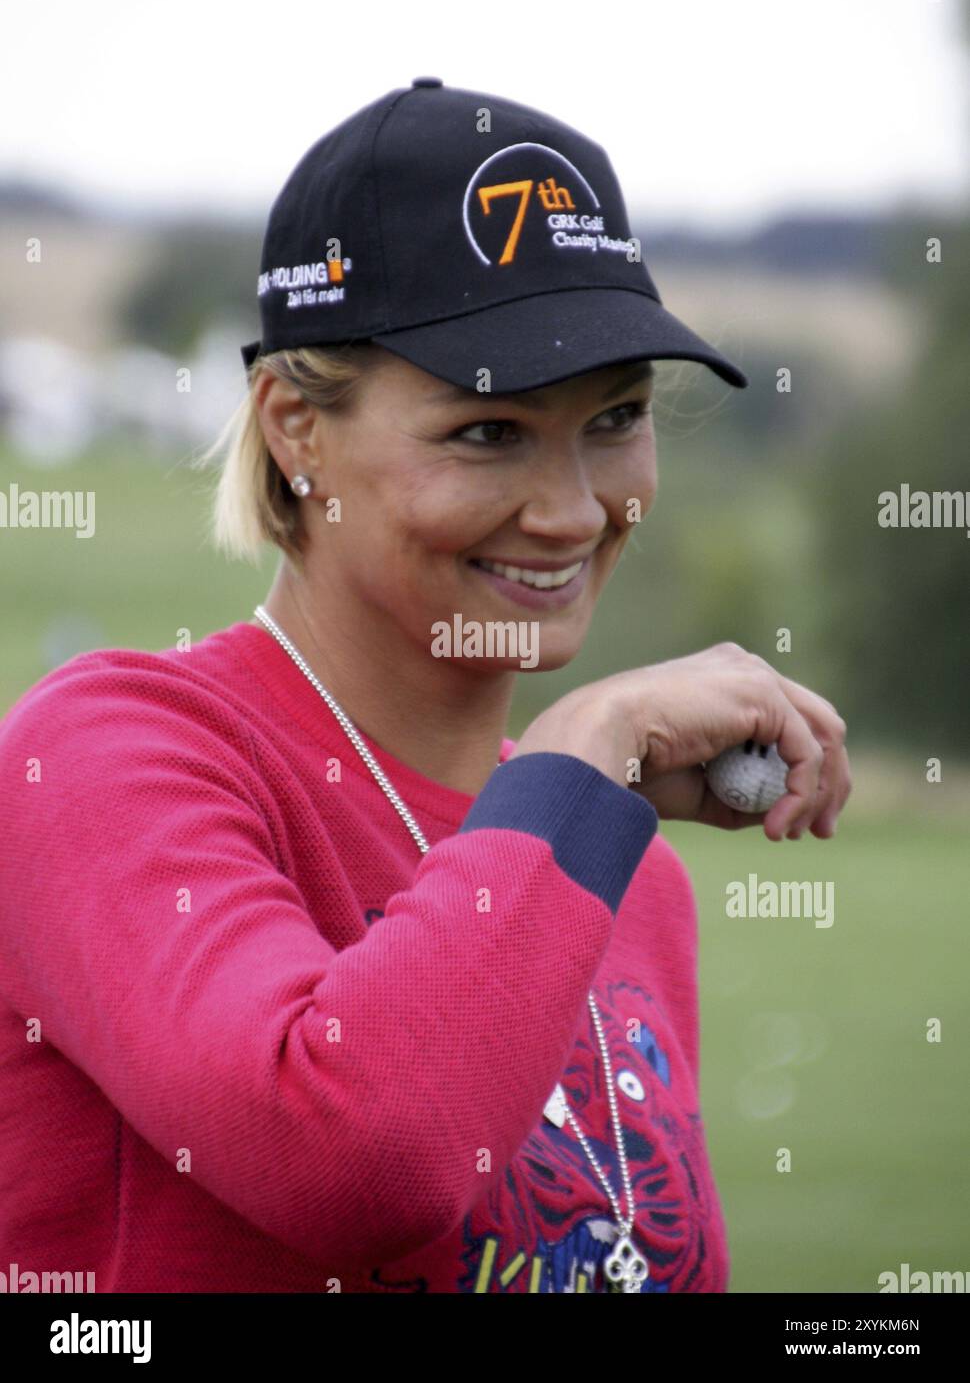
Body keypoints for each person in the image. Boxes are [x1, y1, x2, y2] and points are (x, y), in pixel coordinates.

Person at [0, 78, 850, 1295]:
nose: (571, 509)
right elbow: (356, 1157)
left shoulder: (626, 871)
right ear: (295, 428)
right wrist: (581, 751)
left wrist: (570, 785)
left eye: (612, 419)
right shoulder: (103, 755)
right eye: (488, 433)